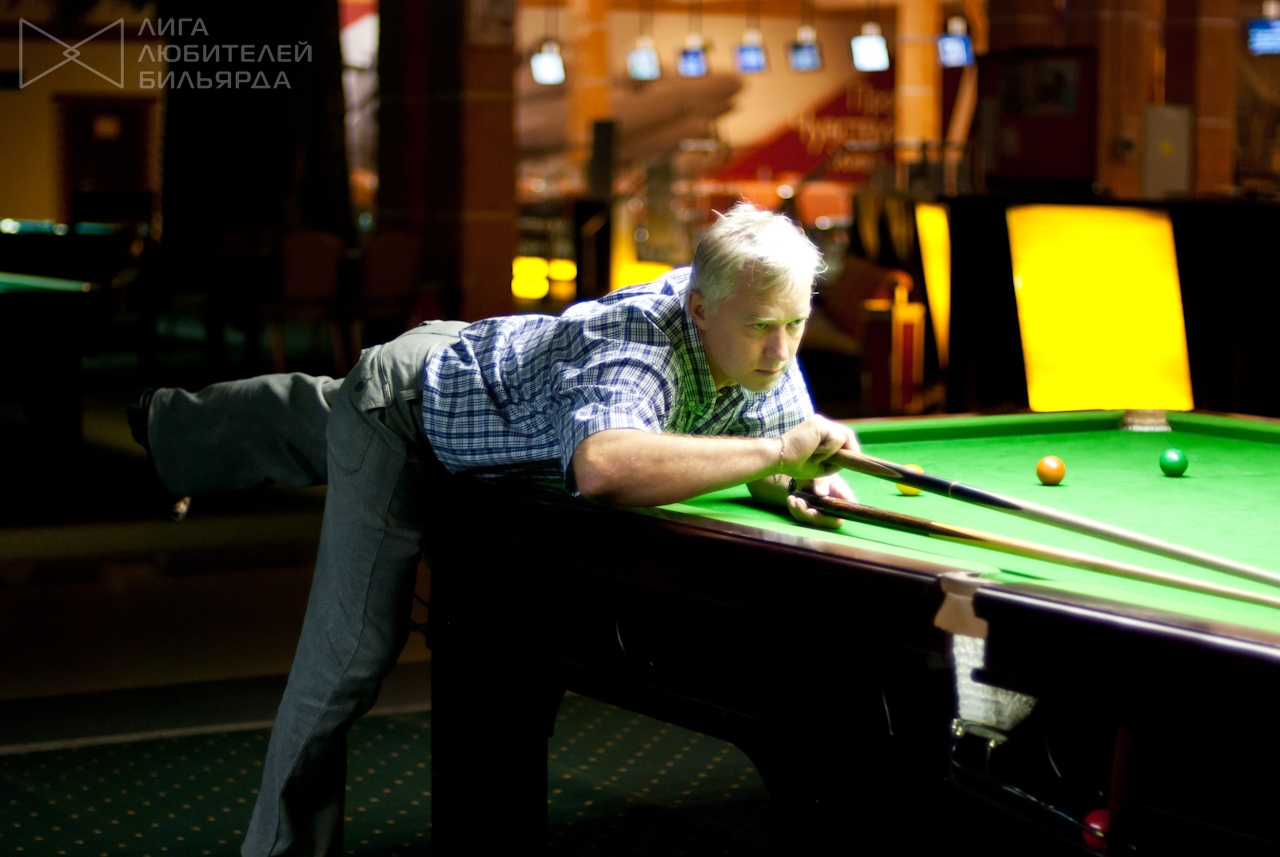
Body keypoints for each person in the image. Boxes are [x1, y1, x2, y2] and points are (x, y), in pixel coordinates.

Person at [130, 202, 859, 857]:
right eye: (762, 328)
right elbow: (604, 466)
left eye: (796, 323)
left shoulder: (756, 315)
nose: (782, 349)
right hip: (408, 409)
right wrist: (776, 453)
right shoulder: (638, 341)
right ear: (700, 309)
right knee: (351, 650)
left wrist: (801, 474)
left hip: (477, 370)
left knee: (321, 415)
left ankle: (167, 428)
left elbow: (775, 449)